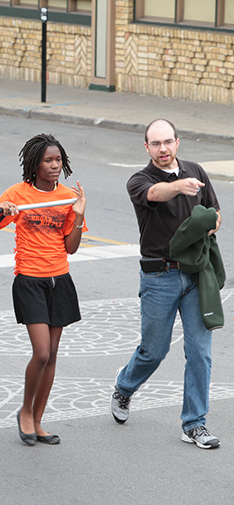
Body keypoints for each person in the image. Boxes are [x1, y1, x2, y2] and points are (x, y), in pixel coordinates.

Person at [111, 118, 222, 449]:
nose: (163, 149)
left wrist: (210, 224)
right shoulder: (139, 179)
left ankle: (194, 424)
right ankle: (125, 387)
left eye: (168, 142)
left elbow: (214, 212)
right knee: (154, 351)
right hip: (159, 275)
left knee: (199, 352)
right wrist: (178, 185)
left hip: (196, 275)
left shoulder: (196, 171)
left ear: (178, 142)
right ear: (147, 147)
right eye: (155, 144)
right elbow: (154, 193)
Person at [0, 133, 86, 446]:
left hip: (59, 280)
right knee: (42, 352)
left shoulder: (67, 198)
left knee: (54, 355)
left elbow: (71, 247)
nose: (55, 165)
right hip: (29, 280)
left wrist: (80, 215)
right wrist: (3, 210)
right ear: (34, 164)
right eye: (48, 160)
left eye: (58, 160)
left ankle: (39, 418)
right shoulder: (18, 193)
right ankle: (25, 411)